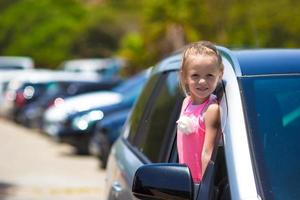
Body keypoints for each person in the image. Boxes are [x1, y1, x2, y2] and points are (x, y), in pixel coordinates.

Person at [176, 41, 223, 183]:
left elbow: (208, 153)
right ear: (184, 76)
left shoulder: (211, 110)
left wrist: (202, 188)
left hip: (198, 183)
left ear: (220, 74)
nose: (202, 81)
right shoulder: (186, 102)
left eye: (209, 75)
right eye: (195, 75)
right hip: (183, 181)